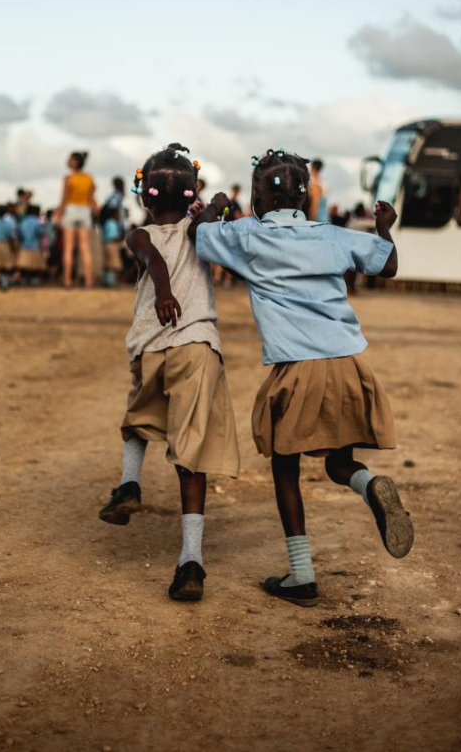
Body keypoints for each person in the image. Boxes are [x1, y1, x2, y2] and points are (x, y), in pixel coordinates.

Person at [192, 148, 413, 608]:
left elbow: (198, 235)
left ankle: (302, 574)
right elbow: (387, 265)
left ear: (256, 196)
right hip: (348, 364)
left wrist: (215, 206)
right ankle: (370, 485)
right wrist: (384, 227)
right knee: (338, 462)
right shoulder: (332, 236)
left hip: (297, 369)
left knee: (284, 465)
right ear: (308, 197)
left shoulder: (248, 234)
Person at [98, 143, 239, 602]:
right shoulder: (202, 228)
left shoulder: (138, 234)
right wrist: (216, 204)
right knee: (190, 452)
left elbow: (153, 257)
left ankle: (129, 485)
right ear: (192, 194)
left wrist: (160, 292)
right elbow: (207, 222)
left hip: (151, 345)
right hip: (197, 345)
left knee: (137, 421)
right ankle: (190, 560)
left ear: (145, 198)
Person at [55, 152, 97, 288]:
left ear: (75, 162)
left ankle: (67, 280)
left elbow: (64, 199)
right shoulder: (89, 178)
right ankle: (89, 281)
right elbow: (92, 199)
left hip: (71, 211)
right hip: (84, 212)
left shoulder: (68, 178)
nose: (67, 161)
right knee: (85, 247)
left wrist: (58, 215)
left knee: (68, 248)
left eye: (70, 159)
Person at [17, 204, 46, 285]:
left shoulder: (23, 221)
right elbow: (41, 233)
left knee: (23, 265)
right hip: (35, 246)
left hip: (24, 245)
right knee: (35, 266)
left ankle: (23, 280)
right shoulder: (38, 222)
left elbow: (19, 233)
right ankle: (34, 280)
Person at [101, 207, 123, 288]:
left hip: (105, 244)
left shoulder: (106, 222)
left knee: (107, 263)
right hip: (112, 244)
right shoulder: (113, 223)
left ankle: (106, 281)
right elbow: (113, 236)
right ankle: (111, 282)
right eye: (118, 214)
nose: (119, 216)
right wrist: (122, 237)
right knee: (113, 264)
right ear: (114, 214)